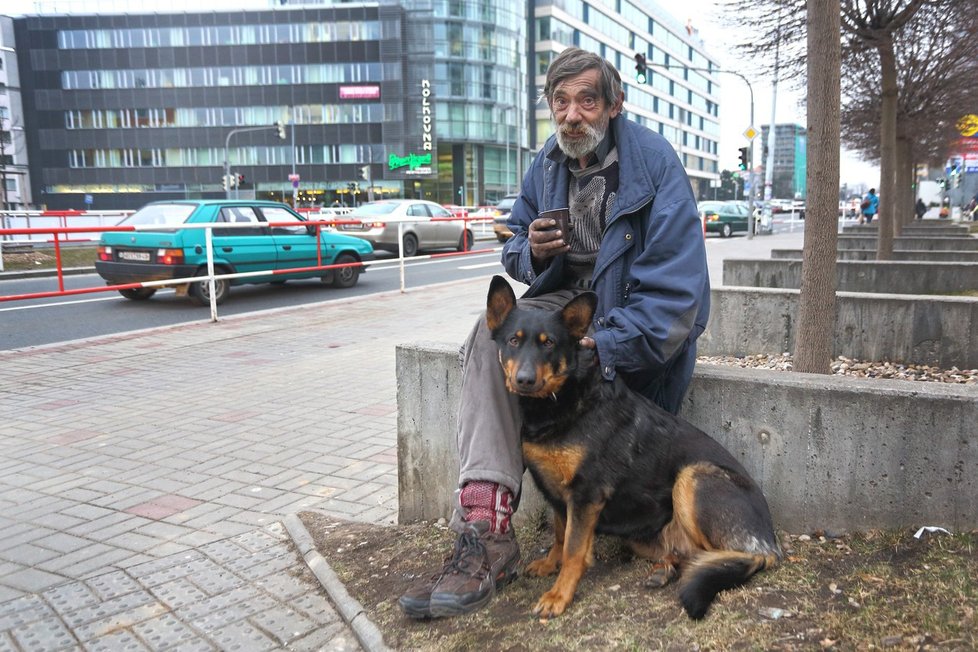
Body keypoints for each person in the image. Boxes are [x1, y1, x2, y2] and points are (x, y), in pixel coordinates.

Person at [398, 47, 711, 619]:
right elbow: (514, 241)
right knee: (488, 337)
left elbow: (676, 301)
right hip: (568, 310)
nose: (573, 115)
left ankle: (571, 530)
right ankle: (487, 526)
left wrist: (601, 345)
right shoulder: (547, 161)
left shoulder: (655, 165)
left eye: (587, 100)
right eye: (560, 102)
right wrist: (529, 249)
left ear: (615, 104)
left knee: (561, 364)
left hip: (629, 322)